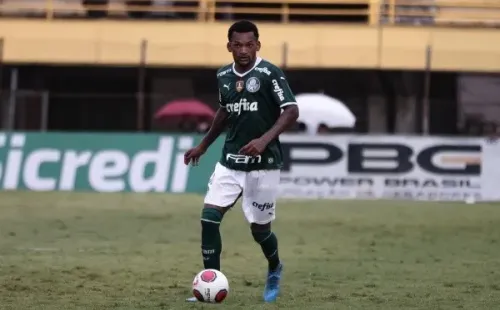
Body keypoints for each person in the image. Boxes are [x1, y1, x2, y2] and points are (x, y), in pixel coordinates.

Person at [183, 20, 299, 303]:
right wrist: (203, 145)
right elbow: (224, 111)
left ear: (258, 45)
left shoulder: (270, 73)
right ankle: (210, 284)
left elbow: (292, 111)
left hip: (264, 164)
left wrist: (264, 140)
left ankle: (274, 268)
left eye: (249, 44)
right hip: (230, 161)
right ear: (229, 46)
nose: (244, 50)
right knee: (209, 219)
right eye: (238, 45)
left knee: (260, 230)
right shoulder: (223, 74)